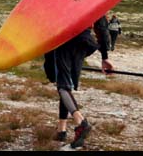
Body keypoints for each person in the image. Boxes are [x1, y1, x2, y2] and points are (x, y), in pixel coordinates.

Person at [43, 13, 113, 149]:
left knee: (63, 86)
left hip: (63, 40)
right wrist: (104, 57)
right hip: (84, 42)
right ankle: (61, 130)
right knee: (65, 87)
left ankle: (81, 122)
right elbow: (102, 26)